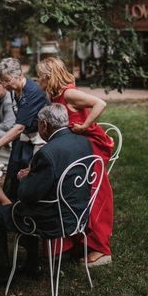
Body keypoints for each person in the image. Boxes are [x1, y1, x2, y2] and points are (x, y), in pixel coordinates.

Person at [0, 104, 93, 284]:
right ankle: (32, 264)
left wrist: (24, 178)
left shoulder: (47, 152)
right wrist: (35, 174)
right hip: (78, 214)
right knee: (26, 208)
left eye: (39, 124)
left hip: (52, 220)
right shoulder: (83, 142)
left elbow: (26, 195)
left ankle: (1, 272)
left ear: (44, 125)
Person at [36, 56, 114, 267]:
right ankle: (77, 240)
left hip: (88, 147)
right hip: (76, 148)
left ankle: (101, 249)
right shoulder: (56, 94)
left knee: (94, 196)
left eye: (39, 76)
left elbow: (100, 103)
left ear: (48, 76)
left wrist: (85, 125)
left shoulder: (69, 93)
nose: (37, 79)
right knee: (74, 192)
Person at [0, 58, 49, 202]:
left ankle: (26, 214)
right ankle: (11, 212)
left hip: (37, 141)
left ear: (19, 75)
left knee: (27, 180)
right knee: (13, 177)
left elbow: (19, 127)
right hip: (23, 139)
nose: (5, 85)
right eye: (2, 81)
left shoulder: (32, 92)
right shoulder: (14, 90)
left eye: (7, 80)